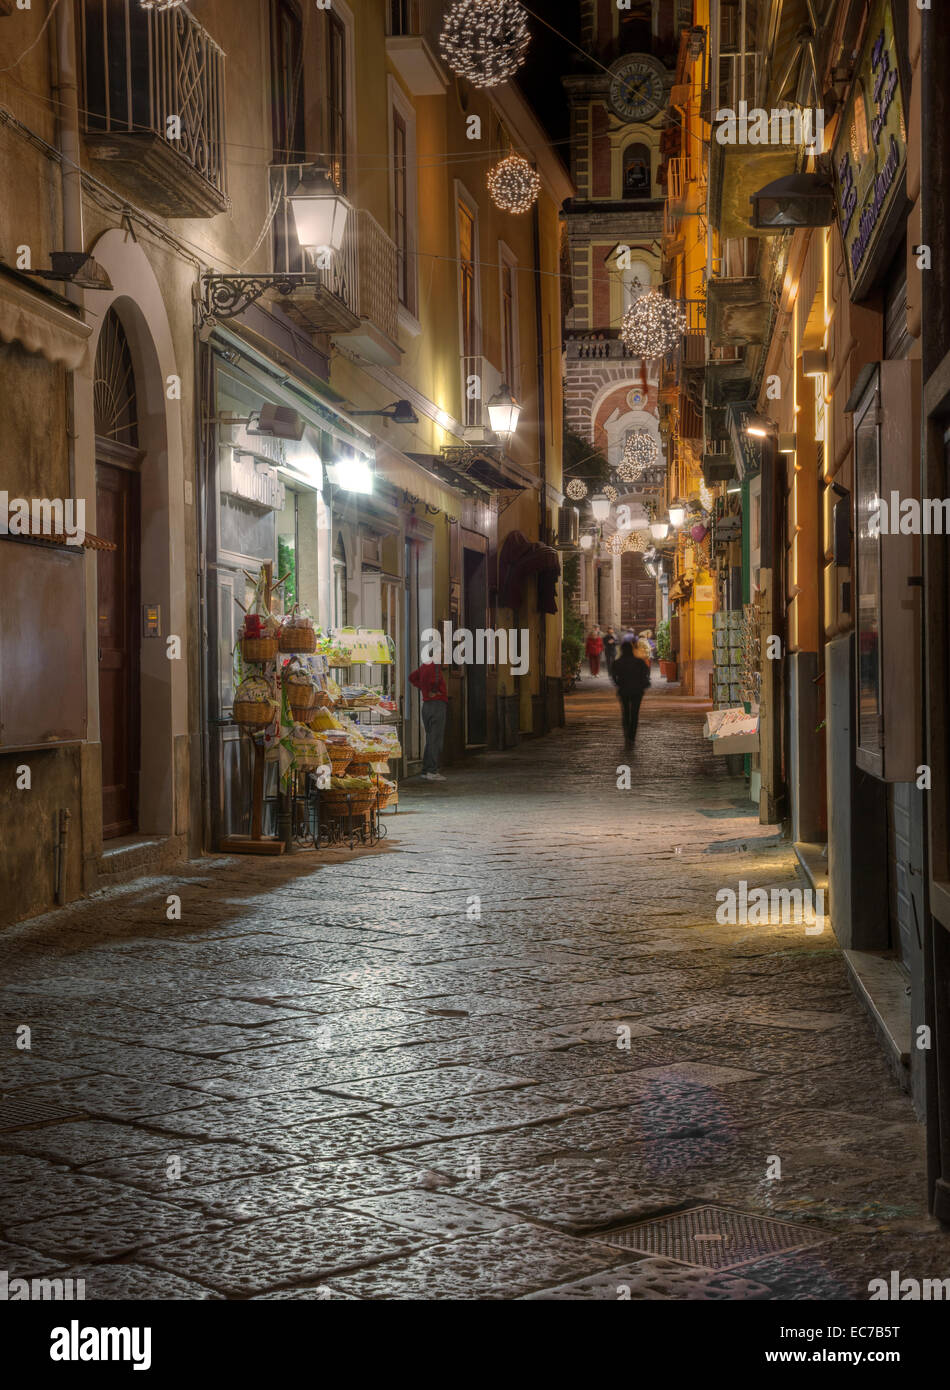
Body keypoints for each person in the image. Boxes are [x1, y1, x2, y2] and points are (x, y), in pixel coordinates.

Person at [409, 659, 448, 781]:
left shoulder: (424, 666)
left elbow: (412, 677)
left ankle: (426, 770)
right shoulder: (435, 667)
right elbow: (434, 681)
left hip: (426, 706)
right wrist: (434, 691)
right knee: (435, 739)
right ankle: (432, 770)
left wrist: (423, 689)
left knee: (430, 738)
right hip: (437, 705)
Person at [611, 637, 652, 750]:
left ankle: (626, 735)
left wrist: (618, 684)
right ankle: (632, 736)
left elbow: (613, 676)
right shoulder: (639, 662)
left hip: (624, 690)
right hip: (637, 691)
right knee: (635, 713)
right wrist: (643, 684)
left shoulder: (617, 662)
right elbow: (646, 674)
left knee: (626, 712)